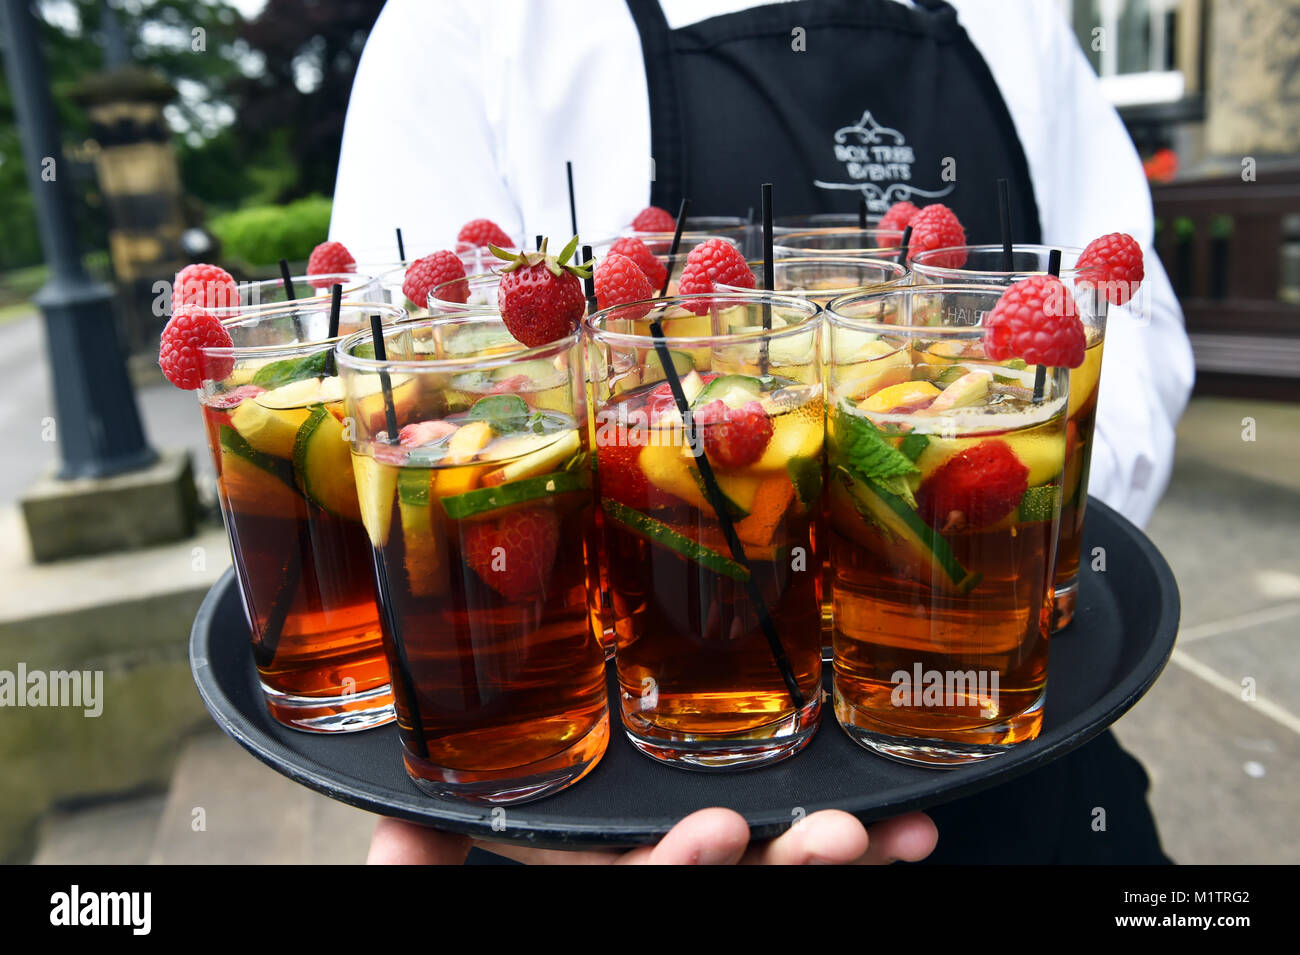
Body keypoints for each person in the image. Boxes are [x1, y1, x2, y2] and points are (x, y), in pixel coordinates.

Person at [332, 0, 1193, 865]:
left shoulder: (1022, 17)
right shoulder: (466, 19)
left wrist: (1015, 556)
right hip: (613, 784)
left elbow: (1123, 309)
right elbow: (398, 349)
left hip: (1030, 770)